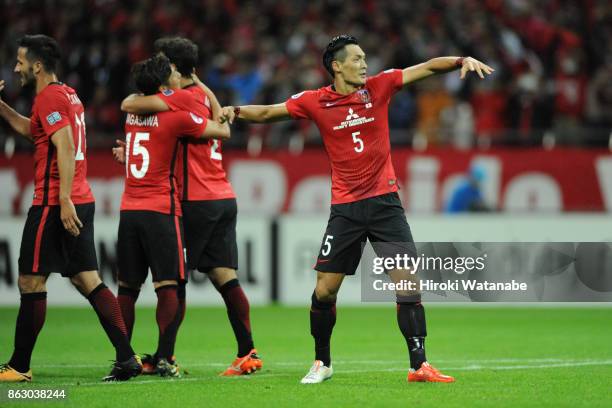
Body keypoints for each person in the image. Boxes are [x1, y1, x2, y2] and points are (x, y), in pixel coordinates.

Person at [221, 34, 494, 384]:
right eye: (357, 58)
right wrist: (236, 111)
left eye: (365, 58)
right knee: (324, 291)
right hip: (346, 209)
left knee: (408, 285)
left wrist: (460, 60)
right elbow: (271, 113)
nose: (365, 64)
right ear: (337, 66)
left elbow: (425, 68)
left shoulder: (379, 87)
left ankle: (419, 365)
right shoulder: (315, 101)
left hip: (385, 205)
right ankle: (322, 362)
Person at [114, 37, 262, 376]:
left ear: (174, 69)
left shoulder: (171, 99)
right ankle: (247, 352)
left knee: (172, 281)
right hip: (222, 193)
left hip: (193, 198)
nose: (158, 66)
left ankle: (165, 356)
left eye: (163, 61)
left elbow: (129, 104)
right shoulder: (202, 96)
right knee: (225, 276)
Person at [0, 34, 141, 382]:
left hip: (54, 201)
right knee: (87, 279)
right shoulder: (67, 94)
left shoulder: (48, 97)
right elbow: (34, 132)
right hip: (81, 197)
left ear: (36, 65)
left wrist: (62, 199)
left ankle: (19, 366)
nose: (16, 68)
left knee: (30, 280)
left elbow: (63, 145)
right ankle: (126, 358)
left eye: (20, 62)